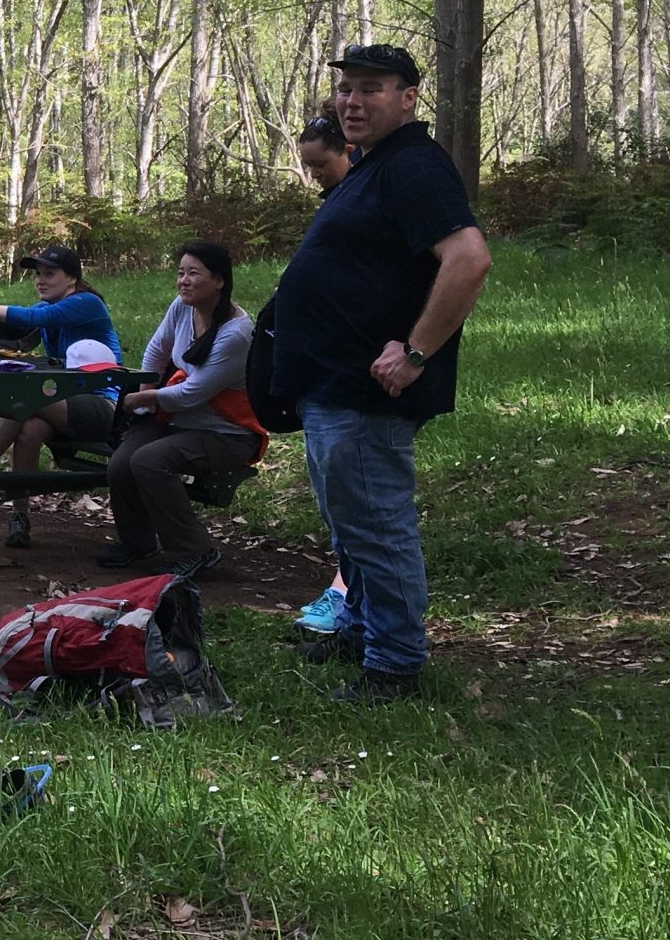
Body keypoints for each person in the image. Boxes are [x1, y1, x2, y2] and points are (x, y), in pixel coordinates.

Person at [271, 44, 492, 704]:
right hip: (331, 382)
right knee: (351, 522)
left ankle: (395, 662)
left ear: (407, 98)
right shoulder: (373, 167)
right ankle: (365, 628)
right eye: (345, 90)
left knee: (376, 524)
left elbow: (469, 259)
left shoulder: (415, 167)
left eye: (372, 89)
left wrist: (416, 352)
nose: (353, 101)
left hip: (370, 387)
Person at [0, 246, 126, 549]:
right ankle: (19, 514)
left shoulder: (86, 304)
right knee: (29, 430)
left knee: (27, 397)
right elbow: (13, 333)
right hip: (66, 407)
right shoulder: (49, 309)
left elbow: (25, 317)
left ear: (72, 280)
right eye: (38, 274)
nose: (40, 280)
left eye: (50, 273)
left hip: (104, 408)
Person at [101, 241, 265, 581]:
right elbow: (157, 349)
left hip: (225, 431)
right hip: (174, 417)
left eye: (194, 273)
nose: (184, 281)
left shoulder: (236, 334)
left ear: (219, 281)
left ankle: (194, 550)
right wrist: (147, 391)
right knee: (121, 462)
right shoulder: (183, 307)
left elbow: (192, 392)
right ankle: (138, 543)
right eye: (180, 273)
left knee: (149, 461)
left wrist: (143, 400)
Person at [290, 113, 356, 633]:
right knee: (333, 492)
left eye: (320, 164)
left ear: (348, 150)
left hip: (352, 372)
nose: (314, 174)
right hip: (319, 370)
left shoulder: (367, 195)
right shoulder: (338, 198)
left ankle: (348, 596)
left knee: (354, 496)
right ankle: (348, 592)